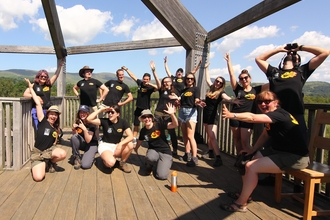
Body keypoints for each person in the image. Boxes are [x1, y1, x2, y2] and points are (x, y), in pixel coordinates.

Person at [220, 91, 309, 212]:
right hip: (279, 151)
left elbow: (252, 117)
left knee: (251, 167)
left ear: (276, 103)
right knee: (245, 158)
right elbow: (265, 135)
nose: (263, 104)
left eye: (267, 101)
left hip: (295, 157)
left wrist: (232, 115)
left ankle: (241, 203)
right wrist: (252, 150)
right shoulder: (272, 116)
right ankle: (246, 194)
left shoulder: (279, 115)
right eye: (260, 102)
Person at [255, 43, 329, 188]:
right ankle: (272, 177)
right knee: (273, 146)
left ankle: (298, 183)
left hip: (296, 118)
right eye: (289, 54)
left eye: (294, 55)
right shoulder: (274, 72)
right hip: (276, 118)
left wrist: (300, 47)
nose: (291, 54)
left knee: (298, 149)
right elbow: (259, 58)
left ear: (297, 61)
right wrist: (279, 49)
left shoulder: (301, 71)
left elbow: (325, 52)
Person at [224, 52, 268, 153]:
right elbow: (231, 74)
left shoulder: (257, 89)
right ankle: (240, 159)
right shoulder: (238, 89)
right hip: (235, 115)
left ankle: (249, 159)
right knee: (237, 139)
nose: (244, 80)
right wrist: (229, 61)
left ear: (250, 78)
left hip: (247, 118)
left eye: (246, 78)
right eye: (241, 78)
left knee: (245, 142)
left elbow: (272, 83)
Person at [24, 78, 67, 182]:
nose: (53, 116)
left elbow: (54, 141)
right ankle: (43, 163)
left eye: (55, 115)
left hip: (49, 151)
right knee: (38, 178)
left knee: (63, 154)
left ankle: (49, 162)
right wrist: (31, 88)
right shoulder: (42, 120)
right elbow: (38, 103)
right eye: (52, 114)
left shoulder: (55, 127)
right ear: (47, 114)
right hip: (38, 153)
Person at [202, 62, 241, 167]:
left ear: (222, 85)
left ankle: (218, 157)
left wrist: (233, 101)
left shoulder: (220, 92)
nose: (217, 83)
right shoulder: (211, 88)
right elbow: (207, 79)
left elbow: (227, 98)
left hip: (213, 116)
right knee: (209, 136)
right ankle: (210, 152)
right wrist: (206, 68)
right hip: (206, 115)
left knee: (212, 136)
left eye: (220, 82)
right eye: (217, 81)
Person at [134, 104, 178, 180]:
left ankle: (164, 162)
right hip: (153, 150)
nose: (147, 119)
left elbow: (175, 125)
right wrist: (136, 148)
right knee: (149, 158)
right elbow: (140, 140)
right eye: (144, 117)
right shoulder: (143, 131)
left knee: (161, 176)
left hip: (165, 152)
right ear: (142, 119)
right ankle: (150, 166)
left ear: (152, 118)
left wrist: (172, 115)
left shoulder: (159, 124)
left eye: (149, 116)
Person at [86, 105, 134, 173]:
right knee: (110, 163)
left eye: (112, 112)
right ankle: (107, 161)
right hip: (105, 145)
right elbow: (88, 119)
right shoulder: (104, 121)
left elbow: (131, 136)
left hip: (117, 146)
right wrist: (100, 110)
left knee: (130, 144)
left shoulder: (123, 122)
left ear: (118, 114)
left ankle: (122, 163)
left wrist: (120, 143)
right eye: (108, 112)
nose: (110, 114)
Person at [23, 59, 65, 130]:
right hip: (37, 110)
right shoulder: (34, 85)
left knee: (49, 128)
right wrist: (35, 97)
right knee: (39, 128)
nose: (43, 78)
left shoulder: (48, 85)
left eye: (45, 77)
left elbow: (56, 75)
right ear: (38, 77)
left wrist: (60, 66)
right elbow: (25, 94)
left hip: (47, 110)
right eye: (42, 76)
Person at [175, 72, 205, 167]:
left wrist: (198, 102)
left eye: (191, 79)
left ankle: (194, 157)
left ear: (194, 80)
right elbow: (181, 101)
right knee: (184, 135)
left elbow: (196, 99)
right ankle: (187, 154)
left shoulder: (196, 89)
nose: (189, 80)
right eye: (188, 78)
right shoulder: (183, 90)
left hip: (191, 112)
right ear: (185, 80)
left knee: (190, 136)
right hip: (182, 112)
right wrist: (177, 102)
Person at [150, 60, 180, 156]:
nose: (166, 83)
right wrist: (154, 71)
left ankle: (175, 149)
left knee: (171, 132)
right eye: (164, 82)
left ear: (171, 82)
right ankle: (161, 147)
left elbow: (181, 100)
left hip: (169, 114)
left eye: (167, 82)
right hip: (158, 113)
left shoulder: (175, 91)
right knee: (157, 131)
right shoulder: (162, 90)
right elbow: (158, 82)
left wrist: (177, 98)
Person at [121, 66, 157, 143]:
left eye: (147, 79)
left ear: (149, 80)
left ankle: (151, 137)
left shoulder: (150, 88)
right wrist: (127, 70)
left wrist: (150, 84)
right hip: (138, 108)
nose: (145, 80)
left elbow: (158, 87)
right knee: (136, 124)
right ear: (142, 78)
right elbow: (133, 76)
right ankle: (134, 138)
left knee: (148, 124)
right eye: (144, 79)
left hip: (146, 109)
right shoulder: (140, 83)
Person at [70, 105, 98, 170]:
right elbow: (75, 136)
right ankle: (77, 157)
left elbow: (88, 140)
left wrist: (85, 129)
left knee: (85, 165)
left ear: (88, 113)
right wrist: (74, 130)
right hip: (83, 143)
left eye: (84, 112)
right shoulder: (78, 121)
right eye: (81, 112)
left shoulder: (92, 123)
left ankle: (90, 157)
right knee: (74, 137)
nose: (82, 114)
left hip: (91, 144)